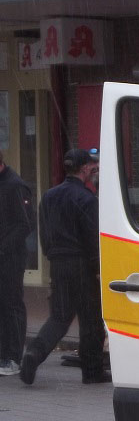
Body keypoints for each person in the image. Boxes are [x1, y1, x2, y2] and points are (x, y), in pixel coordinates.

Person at [20, 148, 108, 385]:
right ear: (84, 168)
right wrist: (98, 267)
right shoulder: (87, 199)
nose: (94, 169)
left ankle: (33, 354)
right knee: (90, 319)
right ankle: (92, 371)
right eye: (91, 166)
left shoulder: (49, 196)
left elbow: (44, 233)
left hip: (58, 263)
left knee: (59, 317)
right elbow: (92, 238)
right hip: (81, 264)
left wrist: (51, 254)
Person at [0, 149, 32, 376]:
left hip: (10, 258)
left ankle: (13, 357)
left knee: (11, 303)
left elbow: (23, 225)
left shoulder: (14, 185)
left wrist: (3, 248)